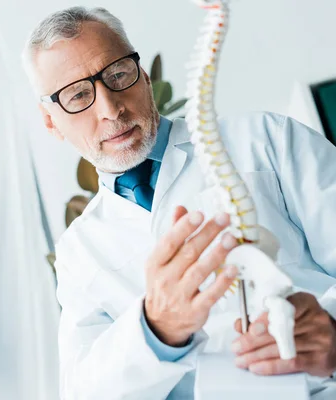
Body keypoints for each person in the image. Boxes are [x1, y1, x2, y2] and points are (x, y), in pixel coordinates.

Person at [22, 6, 336, 399]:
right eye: (78, 95)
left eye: (118, 74)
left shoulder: (267, 138)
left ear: (145, 77)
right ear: (51, 122)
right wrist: (156, 329)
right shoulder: (78, 254)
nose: (111, 109)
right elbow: (85, 390)